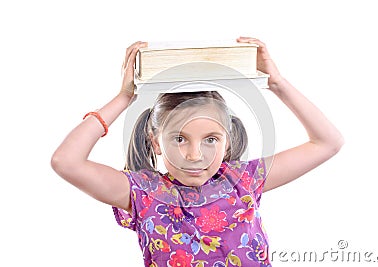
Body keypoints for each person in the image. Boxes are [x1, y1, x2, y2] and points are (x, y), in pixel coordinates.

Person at [51, 37, 344, 267]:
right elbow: (66, 161)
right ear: (155, 142)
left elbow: (327, 142)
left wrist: (277, 84)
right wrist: (125, 96)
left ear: (227, 142)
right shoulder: (143, 192)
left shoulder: (243, 181)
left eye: (210, 139)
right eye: (179, 139)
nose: (194, 155)